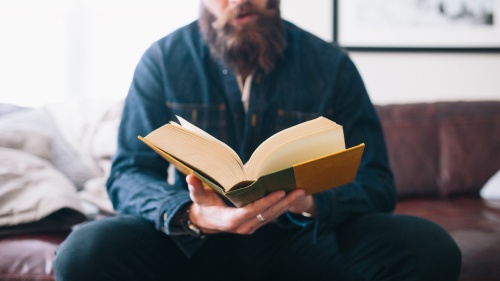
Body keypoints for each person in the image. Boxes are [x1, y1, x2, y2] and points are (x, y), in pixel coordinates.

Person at [54, 0, 462, 280]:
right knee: (84, 252)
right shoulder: (162, 60)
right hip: (196, 243)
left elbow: (377, 182)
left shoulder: (331, 65)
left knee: (429, 247)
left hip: (299, 241)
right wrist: (192, 215)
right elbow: (127, 174)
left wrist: (309, 202)